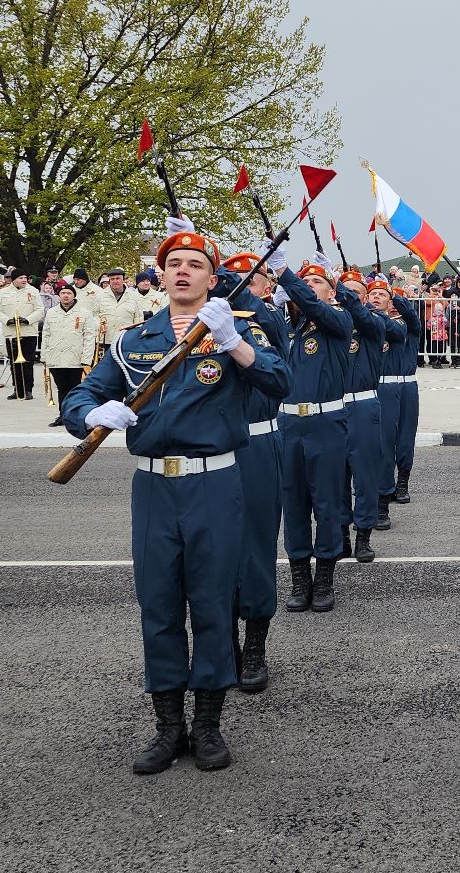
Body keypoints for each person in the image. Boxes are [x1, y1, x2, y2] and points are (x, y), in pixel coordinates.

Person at [62, 227, 290, 774]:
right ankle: (168, 727)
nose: (183, 271)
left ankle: (209, 726)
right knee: (159, 604)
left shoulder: (233, 332)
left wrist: (235, 341)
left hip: (215, 484)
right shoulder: (133, 340)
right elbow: (83, 393)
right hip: (154, 488)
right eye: (174, 264)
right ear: (160, 277)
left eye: (195, 264)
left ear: (214, 280)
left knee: (213, 602)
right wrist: (91, 415)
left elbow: (280, 380)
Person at [216, 247, 292, 694]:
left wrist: (230, 278)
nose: (247, 286)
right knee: (215, 550)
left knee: (257, 546)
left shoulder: (268, 323)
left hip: (259, 443)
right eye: (238, 278)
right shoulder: (210, 322)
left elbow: (271, 347)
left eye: (255, 280)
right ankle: (222, 644)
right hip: (216, 442)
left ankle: (255, 645)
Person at [275, 258, 357, 613]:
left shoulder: (338, 321)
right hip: (289, 426)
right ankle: (299, 575)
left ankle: (324, 575)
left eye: (316, 282)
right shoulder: (285, 325)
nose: (308, 287)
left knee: (326, 503)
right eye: (303, 281)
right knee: (293, 505)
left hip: (326, 424)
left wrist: (285, 273)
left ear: (331, 290)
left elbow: (311, 306)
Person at [333, 269, 398, 548]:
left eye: (356, 292)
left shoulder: (374, 321)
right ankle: (342, 533)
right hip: (333, 406)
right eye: (345, 291)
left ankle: (363, 535)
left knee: (364, 474)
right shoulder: (332, 323)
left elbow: (363, 316)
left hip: (362, 404)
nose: (349, 297)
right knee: (335, 477)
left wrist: (337, 286)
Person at [371, 279, 422, 507]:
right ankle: (384, 484)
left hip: (407, 386)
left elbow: (409, 314)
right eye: (374, 295)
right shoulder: (370, 323)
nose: (379, 299)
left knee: (405, 437)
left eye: (384, 296)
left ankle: (402, 482)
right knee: (383, 440)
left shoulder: (408, 324)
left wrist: (394, 295)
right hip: (381, 386)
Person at [41, 283, 97, 428]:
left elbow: (90, 336)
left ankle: (75, 416)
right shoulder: (51, 312)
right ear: (59, 296)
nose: (66, 296)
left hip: (75, 357)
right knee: (61, 388)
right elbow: (46, 334)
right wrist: (44, 355)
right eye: (63, 293)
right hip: (56, 357)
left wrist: (86, 358)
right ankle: (63, 415)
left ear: (74, 295)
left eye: (69, 293)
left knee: (75, 388)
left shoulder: (84, 313)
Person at [0, 269, 44, 401]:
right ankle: (17, 389)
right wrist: (7, 320)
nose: (24, 280)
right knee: (14, 362)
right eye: (20, 278)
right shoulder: (3, 292)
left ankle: (28, 389)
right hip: (11, 332)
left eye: (25, 277)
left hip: (28, 332)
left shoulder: (33, 291)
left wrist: (28, 319)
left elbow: (40, 310)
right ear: (13, 279)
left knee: (27, 361)